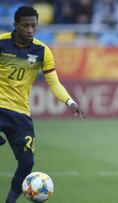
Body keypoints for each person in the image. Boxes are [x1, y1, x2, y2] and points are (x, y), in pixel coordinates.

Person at [0, 6, 86, 203]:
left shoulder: (41, 51)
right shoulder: (2, 43)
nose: (30, 30)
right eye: (25, 26)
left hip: (20, 112)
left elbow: (54, 83)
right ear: (15, 25)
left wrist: (71, 102)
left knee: (27, 163)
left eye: (33, 26)